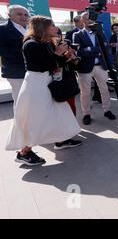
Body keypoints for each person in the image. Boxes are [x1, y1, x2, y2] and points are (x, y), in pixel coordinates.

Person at [5, 16, 81, 166]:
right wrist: (58, 54)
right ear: (43, 27)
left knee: (59, 111)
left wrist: (67, 56)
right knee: (36, 119)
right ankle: (24, 152)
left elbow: (55, 64)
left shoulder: (46, 43)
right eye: (52, 25)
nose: (56, 28)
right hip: (36, 84)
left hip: (46, 82)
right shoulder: (31, 44)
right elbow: (42, 66)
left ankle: (61, 140)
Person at [73, 12, 116, 125]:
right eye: (87, 19)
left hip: (101, 66)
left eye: (91, 18)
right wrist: (96, 50)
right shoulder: (77, 35)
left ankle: (107, 110)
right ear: (82, 21)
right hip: (84, 68)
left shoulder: (99, 33)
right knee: (85, 93)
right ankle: (86, 114)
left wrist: (90, 49)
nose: (90, 20)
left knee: (104, 90)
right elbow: (79, 52)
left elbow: (106, 47)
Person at [0, 5, 29, 108]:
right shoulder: (2, 29)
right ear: (9, 15)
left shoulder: (30, 29)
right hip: (15, 72)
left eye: (26, 14)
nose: (24, 17)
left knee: (30, 101)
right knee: (20, 100)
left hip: (33, 71)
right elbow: (3, 51)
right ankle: (19, 124)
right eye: (19, 14)